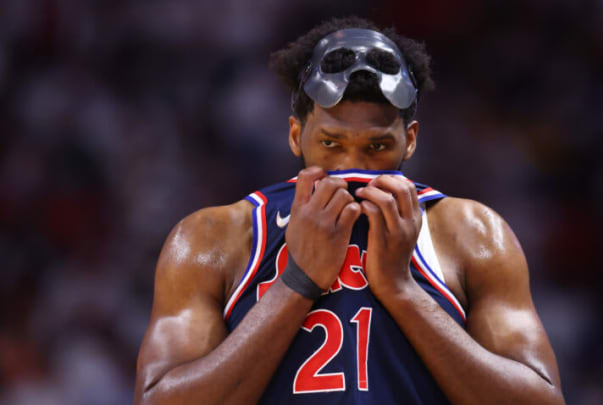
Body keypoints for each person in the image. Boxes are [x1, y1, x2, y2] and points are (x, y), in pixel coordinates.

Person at [135, 17, 565, 405]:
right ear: (295, 135)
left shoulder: (470, 231)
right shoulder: (215, 236)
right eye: (331, 144)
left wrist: (403, 290)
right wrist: (297, 283)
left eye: (377, 147)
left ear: (410, 140)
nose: (351, 167)